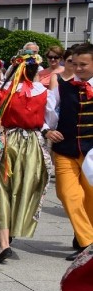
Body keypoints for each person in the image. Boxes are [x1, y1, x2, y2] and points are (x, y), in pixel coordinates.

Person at [0, 52, 53, 263]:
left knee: (3, 188)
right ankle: (6, 234)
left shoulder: (5, 92)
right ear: (35, 70)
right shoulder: (44, 92)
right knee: (24, 187)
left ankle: (4, 243)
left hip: (10, 141)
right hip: (34, 144)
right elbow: (49, 119)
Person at [46, 43, 93, 260]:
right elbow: (46, 113)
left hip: (91, 153)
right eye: (75, 63)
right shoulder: (63, 87)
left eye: (83, 64)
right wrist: (47, 130)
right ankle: (88, 242)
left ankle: (85, 241)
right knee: (66, 193)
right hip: (66, 149)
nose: (78, 68)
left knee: (90, 199)